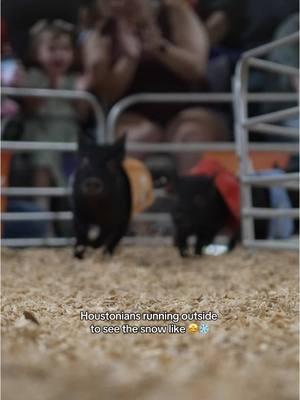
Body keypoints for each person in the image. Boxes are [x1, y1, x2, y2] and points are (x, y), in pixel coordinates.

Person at [84, 0, 230, 174]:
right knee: (136, 138)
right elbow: (106, 93)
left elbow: (196, 68)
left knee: (191, 135)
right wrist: (130, 59)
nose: (122, 4)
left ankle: (190, 197)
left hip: (189, 107)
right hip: (132, 112)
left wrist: (160, 48)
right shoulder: (102, 32)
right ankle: (129, 199)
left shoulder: (175, 12)